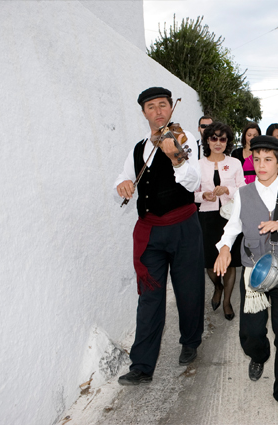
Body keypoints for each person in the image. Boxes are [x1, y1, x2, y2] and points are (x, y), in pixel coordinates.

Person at [214, 136, 278, 416]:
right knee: (251, 332)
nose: (261, 165)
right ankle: (259, 355)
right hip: (253, 273)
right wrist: (223, 248)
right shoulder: (243, 194)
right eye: (257, 159)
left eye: (268, 159)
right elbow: (231, 229)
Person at [114, 87, 204, 385]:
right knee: (149, 297)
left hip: (183, 228)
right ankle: (141, 365)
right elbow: (124, 175)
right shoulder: (138, 148)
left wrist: (177, 159)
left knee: (188, 289)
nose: (158, 111)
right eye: (151, 107)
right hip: (150, 233)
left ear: (170, 108)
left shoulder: (184, 139)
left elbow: (193, 183)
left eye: (162, 105)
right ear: (144, 113)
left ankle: (190, 341)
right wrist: (124, 184)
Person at [196, 122, 245, 321]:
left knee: (230, 260)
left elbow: (243, 188)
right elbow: (191, 193)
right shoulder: (198, 165)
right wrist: (203, 196)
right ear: (207, 140)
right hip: (207, 217)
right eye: (214, 138)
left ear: (228, 142)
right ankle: (218, 286)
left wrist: (227, 190)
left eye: (222, 139)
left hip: (229, 216)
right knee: (209, 260)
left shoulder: (235, 163)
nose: (218, 142)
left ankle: (226, 301)